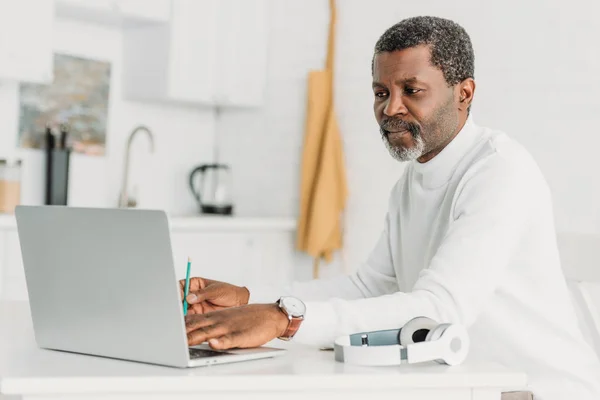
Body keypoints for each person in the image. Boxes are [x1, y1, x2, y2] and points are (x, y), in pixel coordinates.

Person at [180, 16, 600, 399]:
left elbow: (441, 308)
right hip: (472, 386)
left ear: (464, 93)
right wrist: (249, 298)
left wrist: (283, 318)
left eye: (411, 91)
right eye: (381, 92)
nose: (390, 108)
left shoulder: (500, 171)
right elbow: (371, 287)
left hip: (540, 391)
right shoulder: (410, 184)